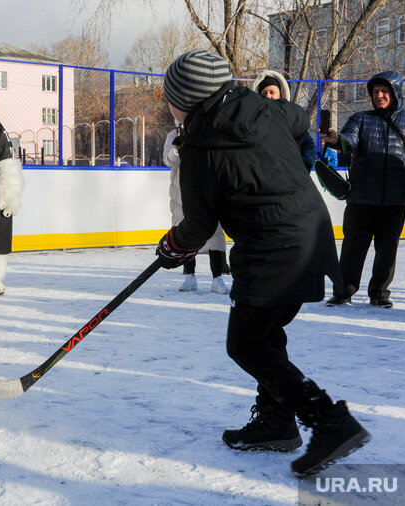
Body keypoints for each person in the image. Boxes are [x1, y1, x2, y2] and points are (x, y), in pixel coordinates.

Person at [158, 50, 369, 477]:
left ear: (187, 98)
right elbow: (297, 120)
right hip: (311, 232)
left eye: (170, 98)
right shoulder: (263, 109)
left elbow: (198, 224)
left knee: (247, 343)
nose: (169, 106)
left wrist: (172, 248)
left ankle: (329, 421)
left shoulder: (199, 146)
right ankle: (277, 422)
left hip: (272, 246)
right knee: (267, 333)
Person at [322, 71, 405, 309]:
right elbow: (348, 140)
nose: (379, 96)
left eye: (384, 92)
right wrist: (336, 140)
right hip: (361, 197)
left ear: (395, 93)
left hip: (395, 199)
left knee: (387, 251)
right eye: (375, 92)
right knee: (353, 247)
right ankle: (343, 292)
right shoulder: (360, 119)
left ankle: (380, 293)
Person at [164, 123, 229, 294]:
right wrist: (177, 148)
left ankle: (217, 277)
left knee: (215, 232)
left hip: (207, 188)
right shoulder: (174, 134)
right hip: (181, 192)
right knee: (184, 232)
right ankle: (189, 276)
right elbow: (168, 160)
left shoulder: (210, 130)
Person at [252, 70, 316, 171]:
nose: (268, 96)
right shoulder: (253, 121)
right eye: (264, 93)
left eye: (272, 92)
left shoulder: (292, 118)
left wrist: (303, 167)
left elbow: (307, 145)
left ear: (281, 93)